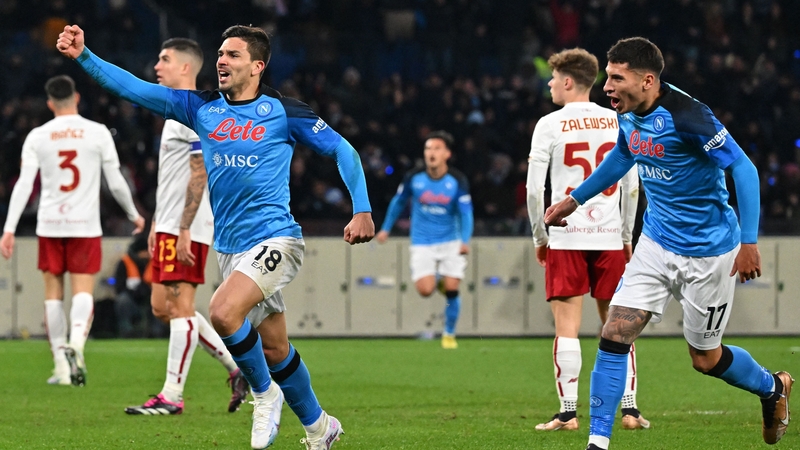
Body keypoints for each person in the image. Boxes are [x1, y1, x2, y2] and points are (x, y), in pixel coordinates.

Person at [58, 24, 374, 450]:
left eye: (233, 55)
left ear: (257, 66)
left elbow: (343, 150)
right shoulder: (200, 108)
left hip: (277, 239)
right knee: (276, 349)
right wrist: (84, 56)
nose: (222, 60)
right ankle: (320, 428)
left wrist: (362, 208)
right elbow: (132, 89)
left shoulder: (285, 112)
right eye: (220, 53)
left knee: (223, 311)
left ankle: (264, 396)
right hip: (232, 248)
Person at [543, 37, 793, 450]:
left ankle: (772, 387)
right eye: (607, 76)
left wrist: (749, 242)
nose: (607, 86)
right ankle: (597, 443)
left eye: (616, 78)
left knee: (705, 359)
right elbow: (623, 156)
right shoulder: (625, 113)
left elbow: (744, 170)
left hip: (711, 251)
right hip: (656, 243)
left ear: (647, 80)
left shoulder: (690, 116)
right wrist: (575, 199)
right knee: (614, 334)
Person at [123, 38, 249, 416]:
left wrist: (182, 229)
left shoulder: (197, 113)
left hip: (187, 228)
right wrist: (159, 224)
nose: (156, 66)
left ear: (185, 68)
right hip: (169, 223)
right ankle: (236, 367)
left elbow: (199, 174)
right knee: (162, 306)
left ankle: (171, 397)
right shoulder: (175, 111)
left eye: (164, 59)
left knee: (180, 307)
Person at [526, 47, 648, 432]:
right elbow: (631, 186)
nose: (548, 84)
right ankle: (628, 410)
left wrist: (539, 235)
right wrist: (627, 235)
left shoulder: (549, 124)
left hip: (565, 236)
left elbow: (534, 190)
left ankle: (567, 414)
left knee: (566, 326)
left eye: (552, 77)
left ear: (567, 81)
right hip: (610, 236)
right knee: (618, 325)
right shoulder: (618, 120)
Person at [0, 74, 144, 387]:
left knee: (52, 295)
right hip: (84, 225)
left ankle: (61, 368)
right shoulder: (97, 132)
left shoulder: (38, 136)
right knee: (83, 290)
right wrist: (134, 212)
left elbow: (25, 185)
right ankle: (76, 345)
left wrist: (9, 228)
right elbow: (115, 180)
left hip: (50, 224)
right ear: (76, 98)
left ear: (50, 102)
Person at [376, 131, 473, 350]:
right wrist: (385, 229)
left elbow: (466, 213)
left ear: (447, 154)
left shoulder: (457, 180)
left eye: (437, 148)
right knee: (425, 290)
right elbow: (398, 202)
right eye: (428, 148)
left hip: (450, 240)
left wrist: (465, 240)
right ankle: (438, 280)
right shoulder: (414, 177)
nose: (431, 153)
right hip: (422, 241)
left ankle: (449, 333)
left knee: (452, 287)